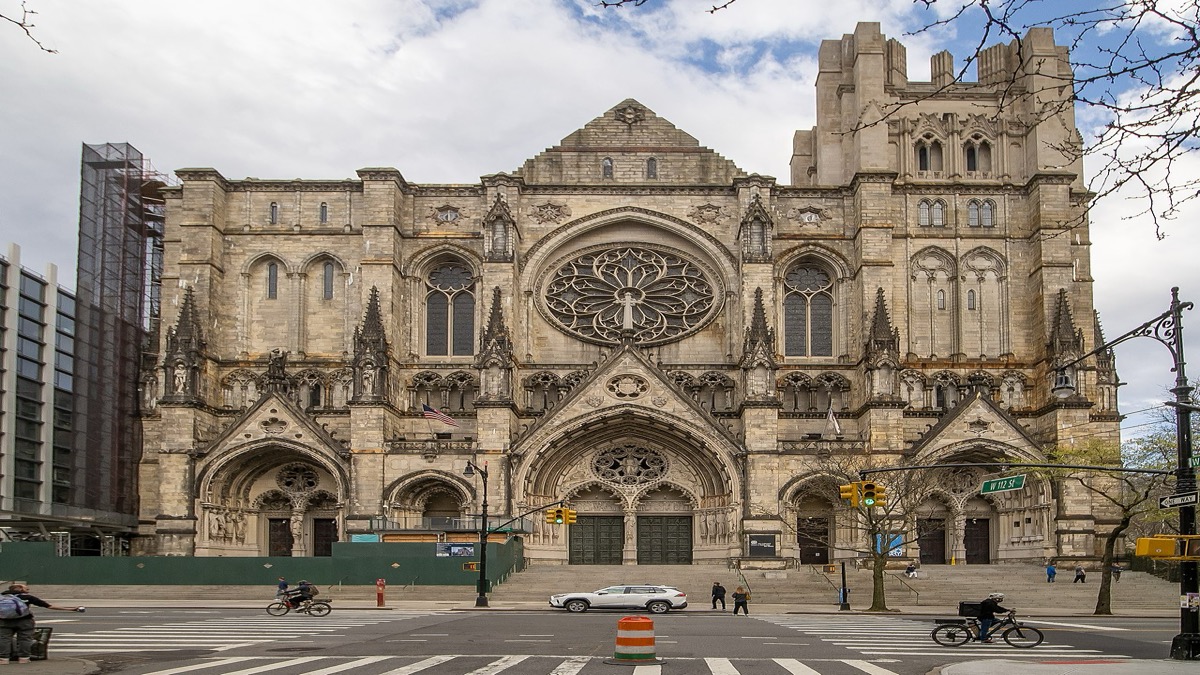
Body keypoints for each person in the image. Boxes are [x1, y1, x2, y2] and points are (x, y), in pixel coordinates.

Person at [0, 583, 83, 664]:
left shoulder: (1, 597)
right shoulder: (28, 597)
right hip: (25, 621)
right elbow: (49, 606)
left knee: (4, 639)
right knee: (24, 639)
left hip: (5, 621)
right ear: (20, 589)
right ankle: (24, 658)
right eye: (26, 589)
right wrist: (71, 609)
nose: (28, 590)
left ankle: (3, 659)